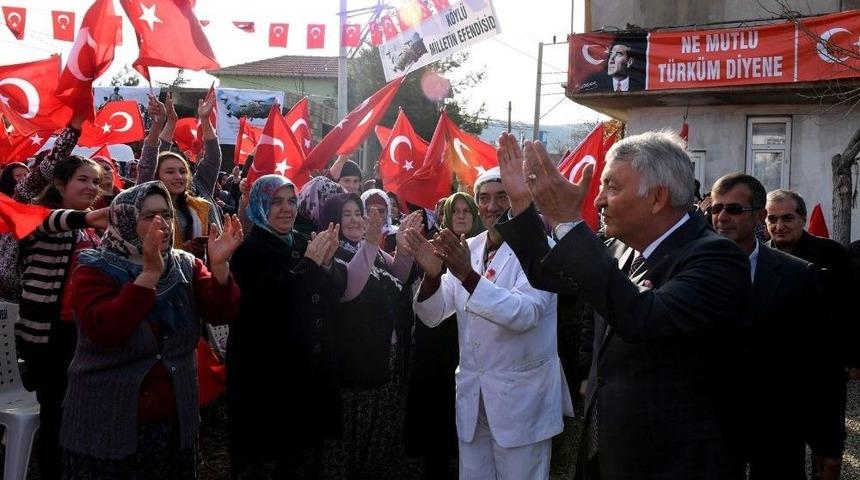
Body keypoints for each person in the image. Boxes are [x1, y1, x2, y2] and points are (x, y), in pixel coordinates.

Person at [494, 131, 750, 480]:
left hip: (675, 461)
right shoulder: (619, 248)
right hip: (611, 448)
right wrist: (522, 203)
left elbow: (644, 318)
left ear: (658, 197)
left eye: (612, 188)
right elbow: (548, 274)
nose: (598, 200)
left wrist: (569, 222)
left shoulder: (716, 258)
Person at [61, 181, 242, 479]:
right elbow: (105, 330)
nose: (162, 224)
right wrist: (148, 275)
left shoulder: (185, 264)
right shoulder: (95, 267)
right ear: (126, 219)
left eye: (166, 214)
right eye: (148, 216)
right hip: (109, 419)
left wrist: (220, 267)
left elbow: (220, 312)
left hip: (172, 419)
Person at [405, 168, 572, 480]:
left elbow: (525, 315)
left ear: (518, 200)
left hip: (521, 402)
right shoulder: (470, 247)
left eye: (501, 197)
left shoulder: (541, 249)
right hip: (474, 398)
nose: (492, 206)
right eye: (484, 198)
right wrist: (431, 277)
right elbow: (435, 313)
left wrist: (468, 275)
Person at [228, 174, 347, 479]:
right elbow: (270, 303)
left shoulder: (302, 241)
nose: (286, 208)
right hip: (266, 387)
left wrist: (327, 264)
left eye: (291, 201)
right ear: (259, 206)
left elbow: (329, 297)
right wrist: (310, 264)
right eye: (276, 201)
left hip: (306, 384)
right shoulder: (247, 250)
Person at [709, 173, 823, 479]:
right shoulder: (687, 270)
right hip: (710, 426)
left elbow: (815, 360)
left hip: (777, 428)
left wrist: (826, 441)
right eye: (715, 209)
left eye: (733, 209)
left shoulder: (797, 274)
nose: (721, 217)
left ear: (759, 216)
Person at [319, 193, 417, 480]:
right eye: (346, 214)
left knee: (379, 432)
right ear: (334, 220)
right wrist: (372, 243)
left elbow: (398, 273)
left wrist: (406, 246)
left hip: (383, 355)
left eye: (357, 213)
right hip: (353, 361)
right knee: (352, 437)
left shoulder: (366, 246)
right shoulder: (331, 251)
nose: (354, 219)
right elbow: (350, 288)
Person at [765, 189, 853, 480]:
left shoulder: (833, 254)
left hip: (824, 371)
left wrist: (852, 358)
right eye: (772, 218)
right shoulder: (759, 256)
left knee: (828, 449)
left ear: (802, 218)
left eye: (787, 218)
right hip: (778, 376)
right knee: (781, 452)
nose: (779, 226)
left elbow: (853, 307)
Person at [404, 192, 480, 479]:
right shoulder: (432, 249)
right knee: (436, 431)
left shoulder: (484, 252)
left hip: (469, 350)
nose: (461, 216)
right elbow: (420, 300)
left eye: (466, 210)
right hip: (436, 352)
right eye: (455, 211)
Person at [139, 94, 221, 257]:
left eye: (183, 171)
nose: (178, 176)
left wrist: (205, 120)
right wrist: (163, 123)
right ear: (157, 176)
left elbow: (213, 158)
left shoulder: (199, 191)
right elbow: (148, 161)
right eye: (170, 172)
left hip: (201, 275)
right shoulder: (147, 197)